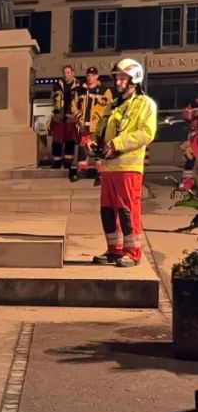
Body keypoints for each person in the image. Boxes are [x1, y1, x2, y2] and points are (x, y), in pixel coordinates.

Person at [89, 59, 157, 268]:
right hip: (109, 167)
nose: (118, 81)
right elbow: (101, 130)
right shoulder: (113, 105)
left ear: (134, 78)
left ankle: (132, 252)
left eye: (122, 77)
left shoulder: (145, 104)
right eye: (117, 77)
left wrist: (117, 143)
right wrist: (94, 142)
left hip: (128, 167)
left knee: (127, 210)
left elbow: (147, 133)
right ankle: (114, 250)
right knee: (108, 210)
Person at [72, 66, 113, 183]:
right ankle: (81, 171)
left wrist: (103, 122)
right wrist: (78, 117)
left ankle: (100, 174)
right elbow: (73, 106)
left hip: (97, 126)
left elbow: (109, 108)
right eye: (88, 75)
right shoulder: (80, 90)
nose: (90, 77)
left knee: (96, 149)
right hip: (83, 125)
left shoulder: (105, 90)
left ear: (97, 76)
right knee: (82, 148)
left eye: (93, 75)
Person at [50, 65, 80, 172]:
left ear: (73, 73)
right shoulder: (57, 85)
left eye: (68, 72)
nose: (66, 75)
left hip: (71, 117)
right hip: (59, 117)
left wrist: (77, 114)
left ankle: (68, 162)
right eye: (65, 72)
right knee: (57, 140)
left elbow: (80, 102)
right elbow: (53, 100)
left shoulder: (78, 85)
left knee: (70, 140)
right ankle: (57, 161)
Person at [179, 96, 198, 194]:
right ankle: (187, 183)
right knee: (189, 160)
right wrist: (193, 111)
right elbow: (185, 115)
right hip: (193, 139)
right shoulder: (194, 102)